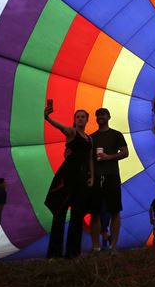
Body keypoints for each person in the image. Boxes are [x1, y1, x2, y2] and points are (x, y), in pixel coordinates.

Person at [44, 102, 94, 258]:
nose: (80, 119)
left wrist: (92, 176)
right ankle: (54, 254)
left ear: (87, 120)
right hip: (67, 177)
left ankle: (73, 252)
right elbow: (60, 127)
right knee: (60, 213)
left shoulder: (89, 139)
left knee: (77, 216)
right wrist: (47, 117)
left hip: (82, 178)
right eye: (78, 117)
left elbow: (90, 158)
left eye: (83, 117)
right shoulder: (72, 132)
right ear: (75, 120)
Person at [89, 108, 129, 252]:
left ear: (109, 117)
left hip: (112, 176)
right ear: (96, 118)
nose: (100, 117)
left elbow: (125, 152)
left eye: (103, 114)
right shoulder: (91, 137)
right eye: (98, 115)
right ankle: (96, 247)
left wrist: (109, 157)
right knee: (94, 212)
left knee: (115, 211)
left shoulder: (116, 135)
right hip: (97, 177)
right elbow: (88, 159)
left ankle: (113, 246)